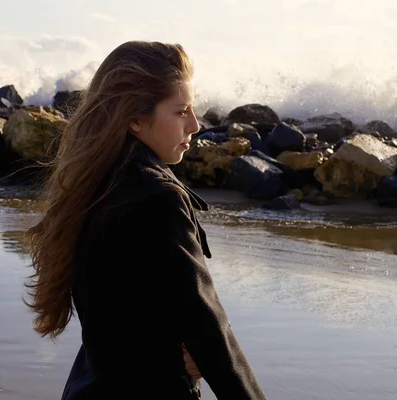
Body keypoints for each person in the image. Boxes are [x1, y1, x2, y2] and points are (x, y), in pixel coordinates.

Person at [24, 40, 268, 399]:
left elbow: (117, 319)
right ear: (136, 119)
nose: (196, 125)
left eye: (193, 110)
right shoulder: (158, 199)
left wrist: (178, 348)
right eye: (181, 111)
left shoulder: (91, 182)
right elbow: (207, 326)